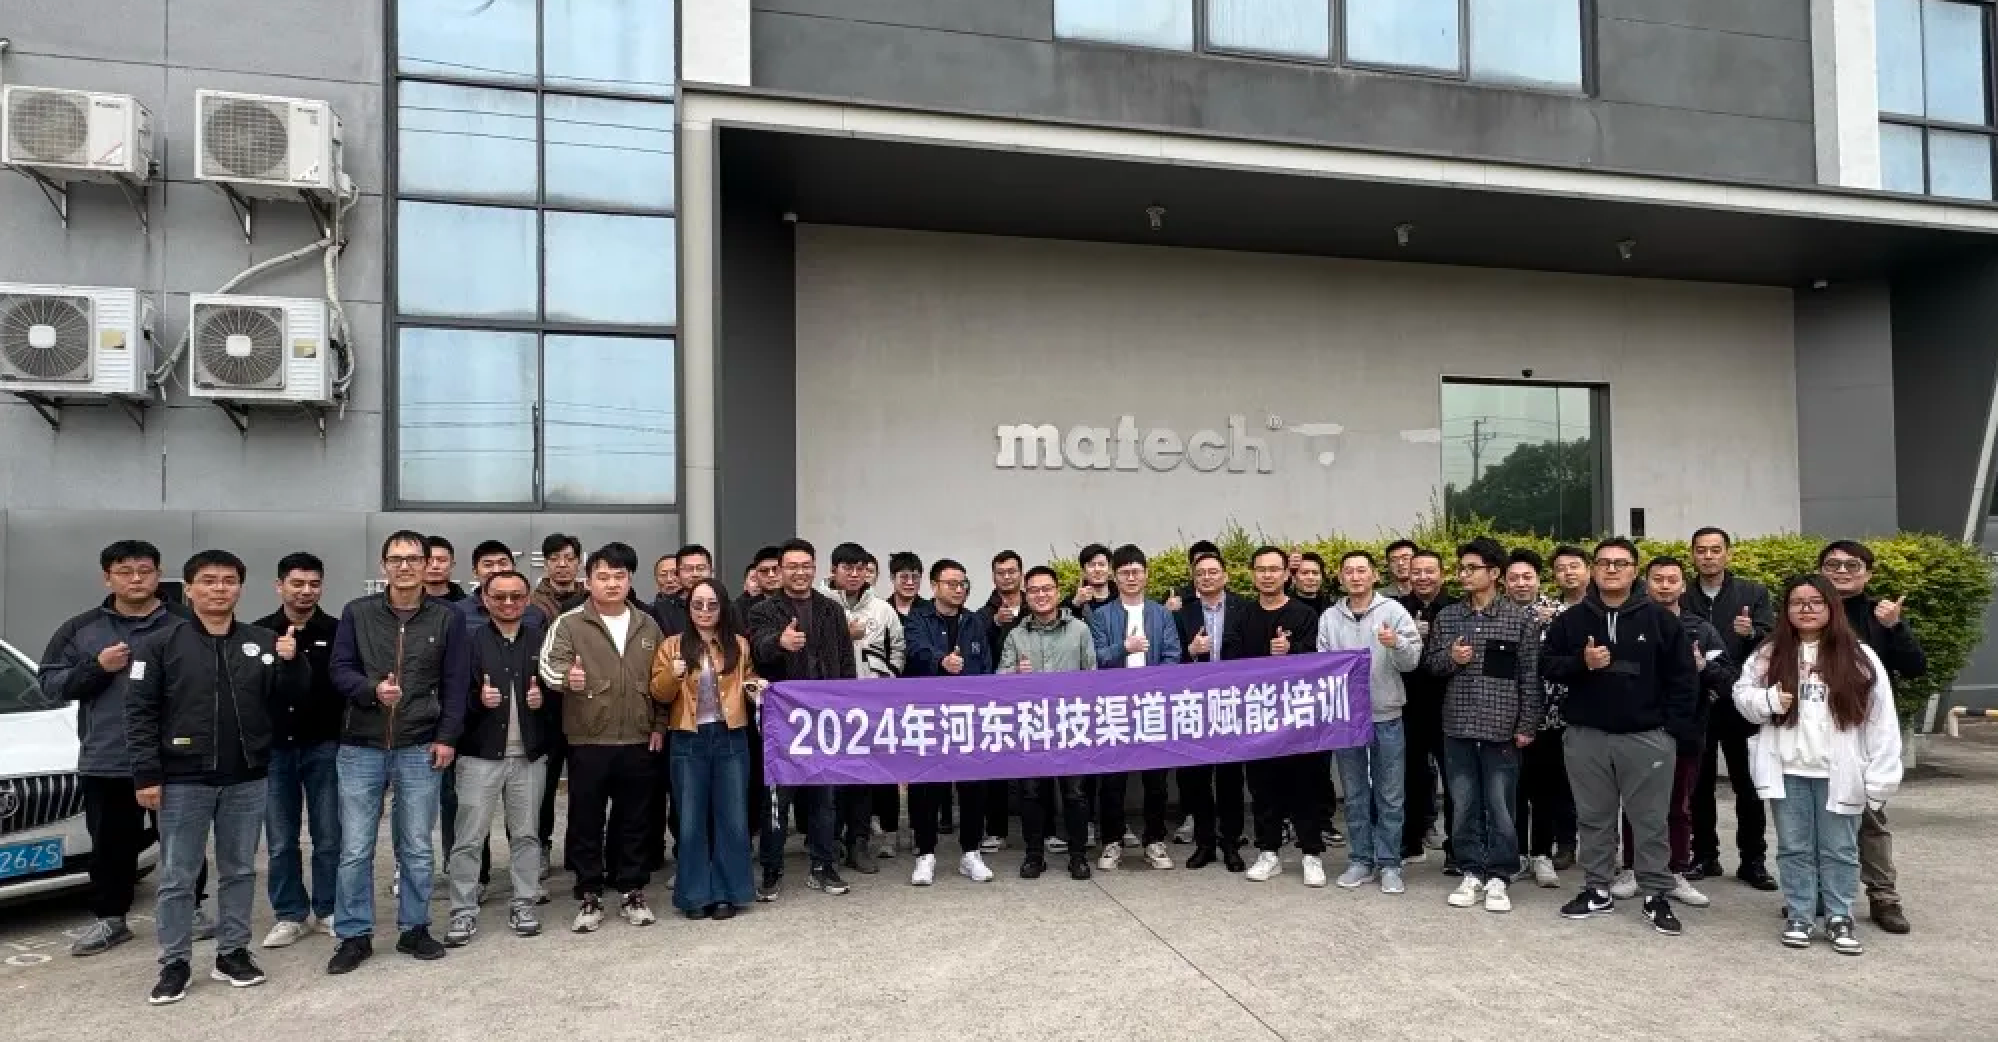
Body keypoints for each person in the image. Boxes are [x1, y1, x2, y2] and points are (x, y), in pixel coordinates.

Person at [127, 549, 306, 1005]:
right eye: (208, 581)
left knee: (240, 870)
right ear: (188, 588)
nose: (219, 589)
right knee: (178, 876)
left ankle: (232, 953)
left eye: (229, 581)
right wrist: (146, 774)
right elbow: (140, 713)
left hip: (247, 776)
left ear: (240, 588)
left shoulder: (262, 641)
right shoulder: (160, 644)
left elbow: (290, 698)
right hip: (182, 779)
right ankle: (174, 962)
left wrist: (292, 661)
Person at [1734, 574, 1902, 956]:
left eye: (1815, 602)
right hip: (1788, 770)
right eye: (1797, 603)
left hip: (1838, 773)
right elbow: (1742, 696)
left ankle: (1840, 916)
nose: (1806, 609)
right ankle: (1800, 915)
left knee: (1840, 849)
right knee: (1793, 848)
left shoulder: (1859, 656)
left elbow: (1882, 720)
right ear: (1786, 610)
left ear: (1831, 607)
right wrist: (1768, 701)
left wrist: (1881, 776)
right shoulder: (1769, 653)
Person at [1542, 538, 1699, 937]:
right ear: (1594, 569)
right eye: (1604, 563)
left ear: (1634, 571)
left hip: (1647, 737)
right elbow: (1547, 666)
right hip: (1587, 736)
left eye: (1621, 563)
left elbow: (1684, 680)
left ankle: (1655, 893)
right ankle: (1597, 888)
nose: (1612, 570)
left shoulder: (1661, 620)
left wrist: (1670, 731)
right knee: (1593, 818)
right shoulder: (1571, 620)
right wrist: (1582, 662)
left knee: (1650, 820)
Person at [327, 530, 468, 973]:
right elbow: (339, 669)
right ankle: (354, 934)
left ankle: (414, 928)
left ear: (427, 565)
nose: (404, 566)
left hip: (420, 743)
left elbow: (456, 683)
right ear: (383, 565)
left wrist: (447, 737)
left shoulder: (447, 618)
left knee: (417, 846)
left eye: (413, 559)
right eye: (396, 559)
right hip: (361, 745)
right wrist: (371, 690)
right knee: (355, 847)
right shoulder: (358, 612)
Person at [41, 540, 185, 957]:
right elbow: (49, 684)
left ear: (159, 574)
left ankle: (190, 910)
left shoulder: (184, 623)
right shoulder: (80, 629)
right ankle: (111, 919)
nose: (136, 579)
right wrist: (97, 668)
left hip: (175, 758)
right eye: (125, 572)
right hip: (107, 757)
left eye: (145, 571)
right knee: (109, 845)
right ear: (107, 578)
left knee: (182, 840)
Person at [537, 542, 667, 932]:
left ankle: (632, 890)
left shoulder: (648, 624)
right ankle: (589, 893)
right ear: (588, 580)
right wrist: (567, 678)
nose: (612, 583)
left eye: (619, 576)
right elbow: (549, 666)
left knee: (635, 821)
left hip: (638, 739)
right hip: (587, 741)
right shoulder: (570, 623)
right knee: (586, 820)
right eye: (603, 576)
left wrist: (659, 725)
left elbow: (661, 681)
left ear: (630, 580)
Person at [1424, 538, 1542, 914]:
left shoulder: (1519, 619)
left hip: (1501, 727)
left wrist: (1527, 725)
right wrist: (1452, 657)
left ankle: (1500, 874)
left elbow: (1529, 676)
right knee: (1463, 804)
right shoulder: (1448, 617)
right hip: (1457, 724)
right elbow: (1432, 665)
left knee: (1501, 805)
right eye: (1461, 568)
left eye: (1472, 568)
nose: (1464, 575)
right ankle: (1470, 869)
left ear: (1494, 573)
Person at [437, 570, 554, 945]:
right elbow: (450, 698)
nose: (508, 603)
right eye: (499, 596)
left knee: (526, 835)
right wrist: (478, 701)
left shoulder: (541, 640)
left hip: (529, 756)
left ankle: (524, 903)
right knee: (469, 838)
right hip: (479, 756)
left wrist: (543, 700)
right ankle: (463, 910)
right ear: (484, 600)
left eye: (516, 596)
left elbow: (560, 693)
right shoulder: (468, 642)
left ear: (527, 599)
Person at [1820, 539, 1926, 935]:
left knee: (1869, 817)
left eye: (1852, 566)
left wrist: (1895, 628)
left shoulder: (1880, 614)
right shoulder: (1808, 611)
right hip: (1814, 730)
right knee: (1815, 818)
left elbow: (1915, 667)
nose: (1842, 572)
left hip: (1864, 731)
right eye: (1833, 565)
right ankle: (1821, 892)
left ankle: (1884, 896)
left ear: (1868, 573)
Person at [1622, 556, 1738, 909]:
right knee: (1636, 805)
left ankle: (1675, 870)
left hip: (1685, 730)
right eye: (1658, 579)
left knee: (1678, 806)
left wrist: (1702, 667)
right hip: (1637, 728)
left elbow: (1727, 678)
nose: (1665, 585)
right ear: (1646, 583)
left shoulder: (1701, 629)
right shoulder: (1628, 623)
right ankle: (1633, 868)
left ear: (1683, 586)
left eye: (1672, 579)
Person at [748, 538, 860, 896]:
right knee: (777, 799)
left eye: (806, 566)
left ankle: (823, 866)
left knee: (824, 798)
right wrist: (779, 643)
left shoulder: (831, 610)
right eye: (792, 567)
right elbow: (757, 649)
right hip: (783, 721)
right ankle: (772, 869)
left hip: (824, 718)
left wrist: (847, 705)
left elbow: (846, 662)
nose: (799, 572)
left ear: (815, 569)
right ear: (780, 571)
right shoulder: (764, 610)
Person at [649, 577, 764, 920]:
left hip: (731, 736)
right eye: (697, 604)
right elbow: (658, 693)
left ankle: (729, 892)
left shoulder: (738, 645)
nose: (704, 611)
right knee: (691, 820)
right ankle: (694, 895)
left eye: (712, 605)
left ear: (722, 608)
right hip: (687, 737)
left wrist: (757, 687)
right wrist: (672, 674)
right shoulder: (671, 645)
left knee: (733, 818)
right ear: (688, 608)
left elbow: (748, 679)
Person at [1683, 526, 1780, 894]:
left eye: (1715, 549)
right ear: (1693, 554)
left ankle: (1753, 860)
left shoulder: (1752, 592)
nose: (1708, 556)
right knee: (1698, 784)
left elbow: (1772, 640)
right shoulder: (1683, 594)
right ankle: (1704, 854)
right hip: (1697, 701)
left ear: (1728, 553)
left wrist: (1750, 632)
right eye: (1701, 550)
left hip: (1741, 699)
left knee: (1748, 785)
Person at [254, 552, 343, 948]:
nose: (306, 591)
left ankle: (328, 909)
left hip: (325, 745)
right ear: (280, 586)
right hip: (275, 749)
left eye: (314, 584)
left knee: (329, 834)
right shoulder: (258, 633)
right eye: (297, 584)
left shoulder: (339, 631)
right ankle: (289, 913)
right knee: (280, 839)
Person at [1320, 551, 1422, 895]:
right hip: (1348, 720)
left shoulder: (1393, 611)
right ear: (1340, 578)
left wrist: (1396, 644)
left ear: (1374, 575)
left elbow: (1412, 661)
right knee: (1354, 794)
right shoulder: (1329, 618)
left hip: (1386, 714)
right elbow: (1322, 666)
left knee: (1390, 794)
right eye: (1348, 571)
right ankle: (1361, 859)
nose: (1355, 577)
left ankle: (1390, 863)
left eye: (1361, 570)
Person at [903, 558, 1000, 885]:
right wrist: (941, 661)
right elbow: (915, 651)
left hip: (968, 715)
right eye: (952, 584)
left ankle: (971, 852)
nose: (959, 589)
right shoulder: (918, 618)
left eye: (963, 584)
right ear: (934, 586)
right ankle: (925, 853)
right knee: (926, 786)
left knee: (973, 785)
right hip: (928, 714)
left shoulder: (974, 622)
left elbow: (985, 664)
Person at [999, 565, 1098, 881]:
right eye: (1034, 590)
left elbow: (1092, 676)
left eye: (1047, 589)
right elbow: (999, 679)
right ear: (1026, 596)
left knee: (1075, 793)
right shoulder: (1016, 635)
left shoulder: (1079, 630)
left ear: (1057, 592)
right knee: (1031, 793)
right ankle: (1034, 855)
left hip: (1071, 722)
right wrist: (1015, 674)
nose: (1041, 595)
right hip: (1031, 724)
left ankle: (1078, 856)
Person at [1087, 545, 1182, 873]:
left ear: (1146, 574)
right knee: (1112, 780)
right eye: (1124, 572)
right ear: (1115, 577)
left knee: (1156, 780)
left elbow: (1173, 656)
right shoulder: (1101, 616)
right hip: (1114, 706)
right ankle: (1112, 840)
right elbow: (1094, 657)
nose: (1131, 577)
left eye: (1136, 571)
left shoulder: (1161, 614)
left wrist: (1153, 685)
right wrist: (1123, 648)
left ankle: (1154, 840)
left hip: (1152, 706)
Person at [1237, 546, 1328, 886]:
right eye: (1261, 569)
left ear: (1287, 574)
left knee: (1305, 785)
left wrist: (1292, 652)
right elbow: (1232, 659)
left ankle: (1311, 853)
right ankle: (1268, 851)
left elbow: (1319, 657)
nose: (1268, 575)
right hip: (1258, 714)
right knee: (1263, 787)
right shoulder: (1243, 616)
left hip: (1298, 715)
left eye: (1274, 569)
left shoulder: (1305, 614)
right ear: (1253, 575)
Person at [827, 542, 906, 871]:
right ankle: (830, 842)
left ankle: (858, 842)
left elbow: (898, 647)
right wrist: (843, 636)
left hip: (869, 702)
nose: (854, 574)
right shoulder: (822, 604)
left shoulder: (882, 610)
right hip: (830, 704)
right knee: (831, 778)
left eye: (860, 568)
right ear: (833, 571)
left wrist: (887, 679)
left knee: (863, 776)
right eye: (847, 568)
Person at [1173, 550, 1248, 871]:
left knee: (1230, 779)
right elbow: (1170, 658)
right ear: (1194, 579)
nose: (1207, 577)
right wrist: (1190, 652)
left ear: (1225, 576)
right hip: (1196, 705)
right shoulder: (1182, 613)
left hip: (1233, 703)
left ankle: (1231, 843)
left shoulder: (1245, 609)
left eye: (1213, 571)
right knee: (1197, 778)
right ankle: (1205, 844)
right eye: (1200, 573)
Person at [1510, 548, 1577, 888]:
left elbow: (1573, 660)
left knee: (1546, 790)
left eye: (1528, 577)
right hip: (1508, 717)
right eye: (1514, 578)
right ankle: (1518, 854)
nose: (1521, 583)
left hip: (1552, 717)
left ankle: (1542, 854)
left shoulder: (1560, 614)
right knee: (1514, 790)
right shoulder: (1499, 614)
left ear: (1539, 579)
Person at [531, 533, 586, 875]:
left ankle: (580, 851)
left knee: (585, 784)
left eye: (568, 558)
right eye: (554, 559)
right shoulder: (530, 602)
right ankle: (540, 845)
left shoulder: (592, 599)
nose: (562, 565)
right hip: (547, 707)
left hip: (585, 705)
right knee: (545, 784)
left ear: (578, 561)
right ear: (545, 563)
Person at [1398, 549, 1457, 866]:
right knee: (1410, 775)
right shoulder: (1396, 609)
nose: (1423, 577)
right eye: (1416, 571)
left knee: (1454, 779)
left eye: (1429, 571)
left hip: (1449, 704)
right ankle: (1411, 841)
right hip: (1407, 704)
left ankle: (1456, 848)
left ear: (1442, 574)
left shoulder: (1457, 609)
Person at [738, 544, 787, 897]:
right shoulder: (741, 610)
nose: (770, 576)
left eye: (775, 570)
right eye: (764, 571)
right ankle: (756, 846)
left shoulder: (810, 607)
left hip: (800, 709)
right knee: (758, 780)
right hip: (754, 708)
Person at [976, 549, 1030, 853]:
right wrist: (995, 623)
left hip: (1034, 698)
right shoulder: (983, 614)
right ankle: (996, 830)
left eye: (1012, 571)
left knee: (1037, 765)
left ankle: (1046, 830)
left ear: (1021, 573)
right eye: (1001, 572)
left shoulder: (1036, 604)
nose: (1007, 577)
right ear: (994, 577)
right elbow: (978, 650)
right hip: (997, 698)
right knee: (996, 767)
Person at [457, 540, 546, 630]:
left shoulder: (535, 614)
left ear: (514, 568)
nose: (497, 570)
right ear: (475, 572)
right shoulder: (458, 612)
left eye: (503, 563)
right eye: (488, 565)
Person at [1071, 543, 1114, 615]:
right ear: (1083, 571)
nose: (1097, 569)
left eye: (1102, 565)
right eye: (1092, 565)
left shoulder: (1121, 597)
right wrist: (1076, 604)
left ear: (1110, 569)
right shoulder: (1074, 600)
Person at [651, 554, 687, 637]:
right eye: (663, 575)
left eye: (675, 573)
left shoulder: (696, 609)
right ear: (656, 579)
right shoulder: (650, 613)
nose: (669, 579)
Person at [423, 536, 466, 602]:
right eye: (428, 561)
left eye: (442, 560)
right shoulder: (406, 603)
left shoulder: (467, 605)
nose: (435, 566)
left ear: (452, 565)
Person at [1289, 552, 1333, 616]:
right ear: (1294, 578)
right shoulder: (1283, 606)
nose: (1310, 577)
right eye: (1304, 573)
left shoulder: (1332, 608)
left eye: (1315, 573)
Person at [888, 551, 927, 619]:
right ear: (892, 578)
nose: (910, 582)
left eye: (915, 577)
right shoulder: (883, 610)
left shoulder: (932, 611)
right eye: (904, 577)